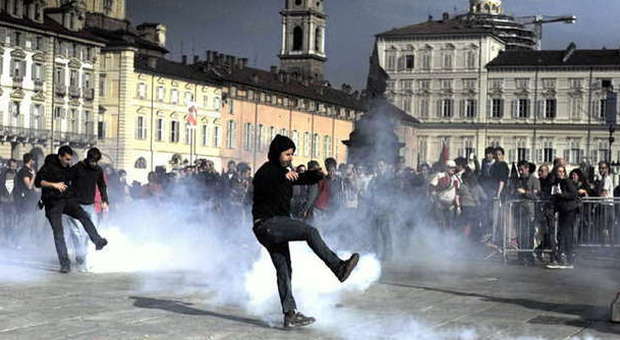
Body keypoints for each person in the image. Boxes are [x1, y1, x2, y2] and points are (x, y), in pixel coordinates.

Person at [252, 134, 359, 328]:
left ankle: (290, 314)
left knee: (284, 268)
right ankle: (339, 267)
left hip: (274, 226)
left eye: (292, 154)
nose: (290, 158)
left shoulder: (286, 172)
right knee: (310, 231)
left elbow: (303, 178)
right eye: (287, 154)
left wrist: (318, 174)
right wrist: (282, 176)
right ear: (277, 154)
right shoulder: (267, 171)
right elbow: (264, 183)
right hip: (267, 223)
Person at [34, 146, 108, 273]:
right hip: (52, 203)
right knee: (59, 233)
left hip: (67, 199)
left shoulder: (68, 167)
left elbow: (72, 180)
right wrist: (53, 185)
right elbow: (37, 182)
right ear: (60, 157)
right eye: (67, 159)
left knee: (84, 216)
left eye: (70, 159)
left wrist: (103, 199)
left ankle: (97, 240)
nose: (69, 162)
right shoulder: (49, 165)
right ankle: (65, 264)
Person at [64, 148, 110, 271]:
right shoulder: (78, 167)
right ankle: (80, 255)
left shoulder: (98, 170)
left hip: (89, 205)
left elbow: (102, 185)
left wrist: (105, 200)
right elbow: (65, 179)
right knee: (76, 232)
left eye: (96, 162)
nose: (94, 164)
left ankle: (83, 255)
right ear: (88, 158)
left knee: (90, 232)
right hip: (74, 205)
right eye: (93, 161)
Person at [547, 165, 578, 269]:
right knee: (562, 234)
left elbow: (573, 194)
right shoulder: (556, 183)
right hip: (563, 210)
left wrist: (562, 194)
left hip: (569, 210)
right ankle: (563, 258)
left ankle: (566, 258)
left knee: (565, 233)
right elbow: (555, 197)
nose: (560, 173)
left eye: (562, 172)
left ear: (564, 173)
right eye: (558, 171)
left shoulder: (567, 181)